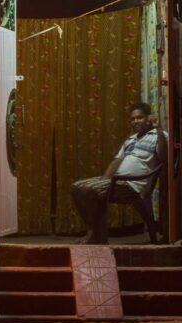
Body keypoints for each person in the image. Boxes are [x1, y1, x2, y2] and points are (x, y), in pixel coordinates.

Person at [70, 102, 166, 244]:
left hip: (133, 185)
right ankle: (96, 234)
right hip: (117, 181)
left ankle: (93, 235)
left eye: (139, 117)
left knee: (86, 190)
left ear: (148, 118)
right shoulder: (131, 139)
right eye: (132, 119)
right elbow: (116, 161)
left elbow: (164, 158)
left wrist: (158, 129)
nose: (135, 121)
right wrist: (103, 180)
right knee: (76, 187)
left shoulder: (160, 136)